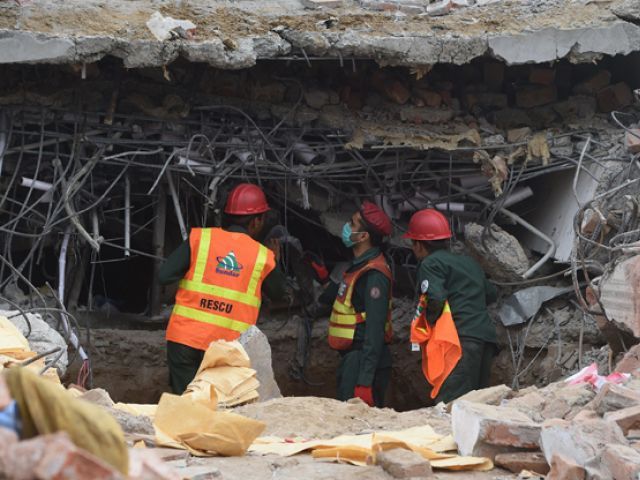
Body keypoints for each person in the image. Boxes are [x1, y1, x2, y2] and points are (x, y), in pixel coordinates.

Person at [159, 183, 286, 394]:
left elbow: (164, 276)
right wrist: (276, 262)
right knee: (222, 408)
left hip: (185, 341)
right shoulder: (262, 256)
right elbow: (280, 293)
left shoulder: (201, 238)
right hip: (229, 348)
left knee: (188, 404)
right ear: (256, 221)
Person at [404, 209, 498, 404]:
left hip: (459, 341)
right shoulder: (468, 263)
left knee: (452, 404)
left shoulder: (429, 263)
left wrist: (429, 323)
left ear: (419, 245)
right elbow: (491, 294)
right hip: (485, 339)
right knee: (477, 404)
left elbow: (436, 298)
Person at [317, 201, 393, 407]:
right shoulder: (359, 267)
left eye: (352, 224)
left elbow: (375, 330)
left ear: (363, 237)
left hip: (363, 363)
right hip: (353, 360)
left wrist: (364, 382)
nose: (346, 227)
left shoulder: (374, 275)